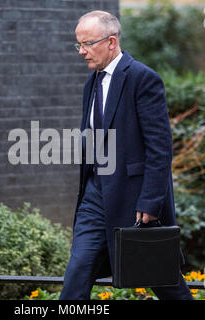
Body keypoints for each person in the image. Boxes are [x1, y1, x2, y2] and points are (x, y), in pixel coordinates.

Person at [59, 10, 193, 300]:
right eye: (78, 45)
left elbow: (160, 147)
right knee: (77, 271)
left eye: (87, 44)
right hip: (95, 196)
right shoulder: (91, 85)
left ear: (110, 41)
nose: (81, 51)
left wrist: (150, 200)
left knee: (163, 279)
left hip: (135, 198)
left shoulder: (143, 79)